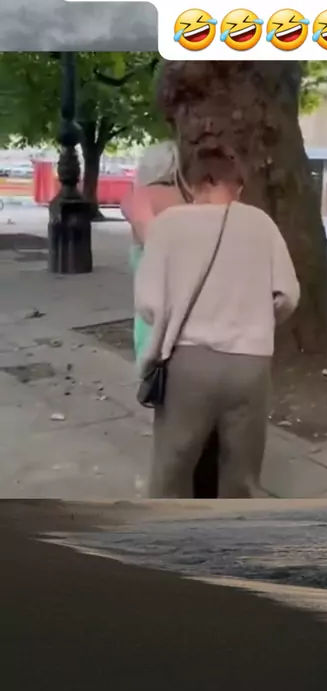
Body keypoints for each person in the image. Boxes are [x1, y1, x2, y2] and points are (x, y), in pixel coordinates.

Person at [135, 143, 300, 499]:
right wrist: (256, 320)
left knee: (173, 466)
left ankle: (169, 528)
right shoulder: (261, 223)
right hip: (250, 364)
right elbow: (287, 295)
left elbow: (148, 304)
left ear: (191, 182)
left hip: (188, 364)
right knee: (241, 473)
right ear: (235, 183)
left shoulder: (168, 225)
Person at [121, 141, 220, 498]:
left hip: (156, 326)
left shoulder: (139, 199)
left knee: (170, 420)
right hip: (203, 325)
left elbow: (156, 247)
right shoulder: (197, 204)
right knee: (203, 417)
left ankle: (171, 494)